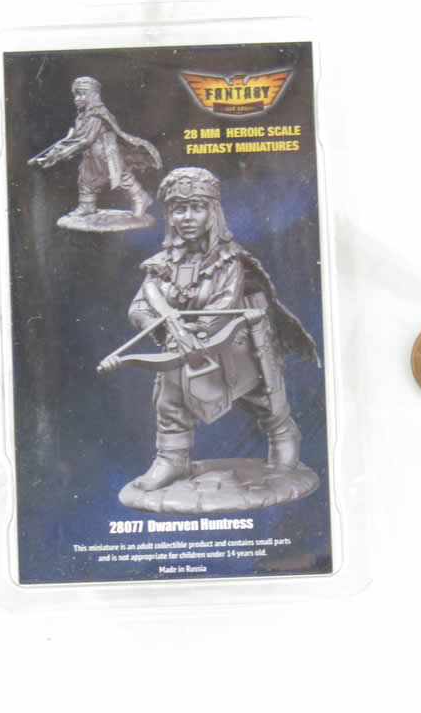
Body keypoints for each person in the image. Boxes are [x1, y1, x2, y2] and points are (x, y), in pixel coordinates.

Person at [102, 167, 319, 491]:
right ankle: (172, 459)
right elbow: (140, 307)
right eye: (179, 209)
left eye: (197, 208)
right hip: (182, 349)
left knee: (263, 397)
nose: (188, 217)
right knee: (169, 399)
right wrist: (164, 325)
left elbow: (222, 305)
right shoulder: (161, 264)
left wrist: (194, 334)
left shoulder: (229, 261)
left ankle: (283, 436)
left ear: (213, 212)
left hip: (234, 346)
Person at [28, 76, 161, 217]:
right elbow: (76, 138)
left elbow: (86, 140)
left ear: (92, 95)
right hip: (90, 156)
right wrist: (56, 152)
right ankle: (87, 206)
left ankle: (140, 197)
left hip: (105, 155)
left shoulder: (96, 114)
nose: (77, 99)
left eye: (81, 94)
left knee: (121, 178)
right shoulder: (83, 116)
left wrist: (62, 154)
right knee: (85, 180)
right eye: (76, 95)